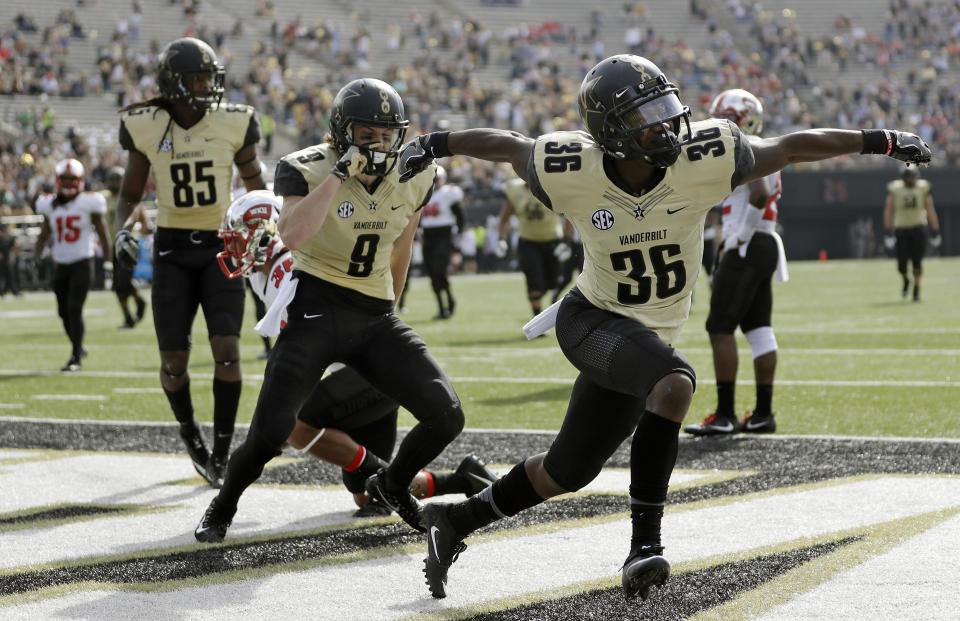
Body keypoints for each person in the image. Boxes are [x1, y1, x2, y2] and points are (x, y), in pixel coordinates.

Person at [395, 53, 931, 600]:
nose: (666, 124)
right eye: (644, 116)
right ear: (609, 130)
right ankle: (643, 547)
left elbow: (789, 147)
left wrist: (878, 139)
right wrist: (436, 143)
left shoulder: (705, 156)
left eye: (666, 108)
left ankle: (454, 520)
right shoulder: (569, 166)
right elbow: (507, 144)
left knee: (566, 470)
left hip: (645, 337)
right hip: (592, 319)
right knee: (674, 384)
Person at [194, 78, 466, 543]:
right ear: (342, 134)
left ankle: (394, 482)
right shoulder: (306, 168)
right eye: (367, 135)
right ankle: (223, 505)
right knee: (270, 434)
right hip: (316, 314)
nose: (378, 146)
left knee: (447, 414)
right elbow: (292, 235)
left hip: (375, 318)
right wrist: (341, 173)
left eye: (386, 135)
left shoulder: (417, 173)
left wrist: (390, 311)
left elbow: (401, 249)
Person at [216, 190, 498, 515]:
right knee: (365, 494)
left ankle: (386, 478)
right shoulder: (267, 274)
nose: (233, 248)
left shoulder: (289, 271)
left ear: (264, 235)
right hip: (360, 370)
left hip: (368, 369)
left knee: (294, 425)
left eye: (238, 239)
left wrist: (278, 420)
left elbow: (301, 361)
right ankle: (461, 479)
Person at [112, 37, 267, 488]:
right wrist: (122, 230)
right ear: (173, 84)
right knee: (175, 360)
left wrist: (268, 225)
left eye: (208, 78)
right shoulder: (145, 125)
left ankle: (221, 448)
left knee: (227, 350)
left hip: (221, 245)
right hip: (172, 250)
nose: (206, 87)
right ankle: (190, 435)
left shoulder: (232, 122)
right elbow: (128, 196)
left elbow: (256, 183)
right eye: (196, 79)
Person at [685, 89, 785, 436]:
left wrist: (737, 239)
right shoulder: (760, 145)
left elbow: (758, 194)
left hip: (749, 245)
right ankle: (762, 414)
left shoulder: (748, 144)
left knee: (719, 327)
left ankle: (725, 414)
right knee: (758, 330)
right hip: (764, 242)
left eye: (724, 118)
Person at [34, 159, 111, 371]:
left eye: (72, 179)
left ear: (80, 181)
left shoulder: (89, 202)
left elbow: (103, 234)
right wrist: (37, 255)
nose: (68, 183)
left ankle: (76, 357)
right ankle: (78, 345)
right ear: (58, 180)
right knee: (63, 312)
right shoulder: (50, 204)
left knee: (74, 308)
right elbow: (44, 233)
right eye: (65, 179)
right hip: (60, 264)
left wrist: (107, 263)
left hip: (82, 262)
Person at [498, 176, 572, 317]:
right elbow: (504, 218)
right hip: (528, 242)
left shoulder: (552, 187)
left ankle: (540, 301)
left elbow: (569, 214)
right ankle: (537, 317)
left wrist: (566, 241)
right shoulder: (514, 189)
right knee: (534, 281)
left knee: (552, 283)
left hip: (553, 241)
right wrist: (501, 239)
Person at [883, 167, 940, 302]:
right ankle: (906, 279)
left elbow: (930, 209)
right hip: (901, 229)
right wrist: (888, 231)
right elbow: (889, 210)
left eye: (913, 177)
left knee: (917, 262)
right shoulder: (896, 189)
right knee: (902, 264)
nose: (911, 180)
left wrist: (935, 230)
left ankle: (916, 288)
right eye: (909, 177)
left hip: (918, 227)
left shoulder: (922, 188)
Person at [102, 166, 149, 328]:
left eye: (117, 180)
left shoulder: (129, 198)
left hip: (128, 245)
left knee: (122, 281)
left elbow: (144, 221)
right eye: (112, 180)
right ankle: (130, 313)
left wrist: (146, 230)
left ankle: (137, 304)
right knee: (117, 285)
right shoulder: (103, 198)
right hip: (112, 245)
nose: (114, 183)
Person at [419, 165, 465, 319]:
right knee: (432, 274)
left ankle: (450, 300)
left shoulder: (448, 193)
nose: (433, 182)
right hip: (428, 236)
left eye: (436, 179)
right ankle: (441, 307)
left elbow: (460, 216)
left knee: (439, 270)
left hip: (444, 235)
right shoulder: (422, 194)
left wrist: (458, 234)